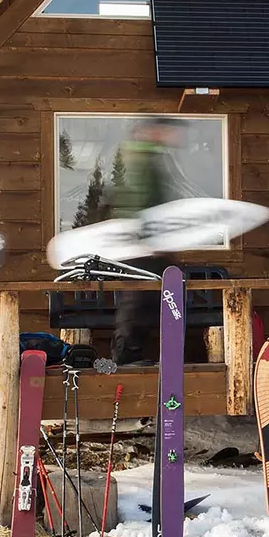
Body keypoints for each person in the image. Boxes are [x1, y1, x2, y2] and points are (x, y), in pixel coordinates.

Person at [109, 116, 185, 364]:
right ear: (152, 131)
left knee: (155, 301)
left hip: (154, 246)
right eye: (166, 131)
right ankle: (125, 359)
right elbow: (136, 200)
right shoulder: (140, 160)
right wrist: (145, 238)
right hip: (141, 248)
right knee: (139, 300)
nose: (171, 136)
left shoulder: (152, 158)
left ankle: (140, 356)